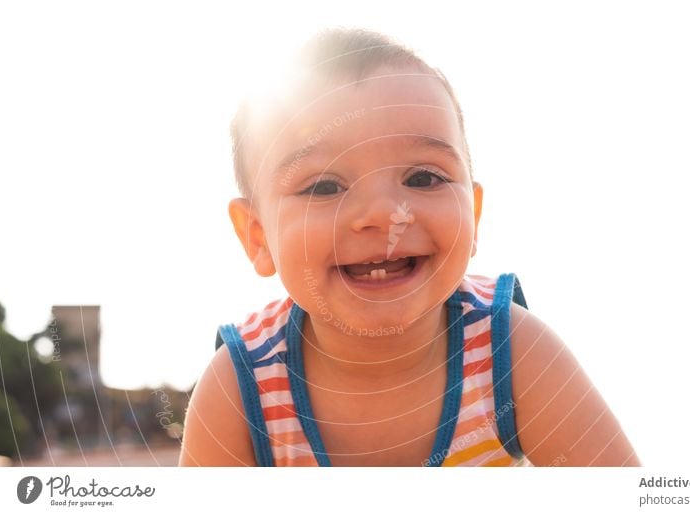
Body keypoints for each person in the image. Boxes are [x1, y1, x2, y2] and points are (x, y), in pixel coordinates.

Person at [179, 28, 639, 467]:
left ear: (473, 216)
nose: (383, 213)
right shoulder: (241, 390)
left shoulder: (510, 351)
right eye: (323, 186)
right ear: (257, 236)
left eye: (423, 178)